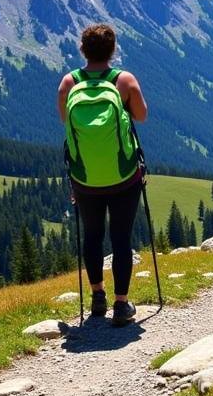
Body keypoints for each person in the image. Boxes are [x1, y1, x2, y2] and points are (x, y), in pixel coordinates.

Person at [58, 23, 148, 326]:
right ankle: (121, 305)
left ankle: (97, 296)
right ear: (112, 50)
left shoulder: (69, 83)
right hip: (124, 175)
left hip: (85, 179)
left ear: (83, 50)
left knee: (93, 236)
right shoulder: (124, 80)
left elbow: (64, 120)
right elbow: (142, 116)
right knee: (121, 237)